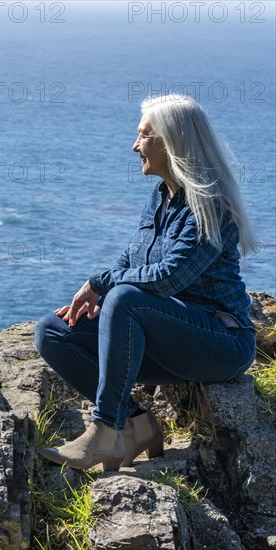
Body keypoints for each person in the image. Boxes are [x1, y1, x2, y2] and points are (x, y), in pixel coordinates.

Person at [34, 94, 257, 472]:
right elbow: (132, 259)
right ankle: (138, 426)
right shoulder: (161, 196)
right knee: (54, 331)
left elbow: (170, 277)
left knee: (124, 299)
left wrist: (103, 285)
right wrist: (99, 298)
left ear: (172, 142)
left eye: (143, 136)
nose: (134, 145)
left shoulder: (210, 204)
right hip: (168, 338)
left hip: (222, 342)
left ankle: (104, 432)